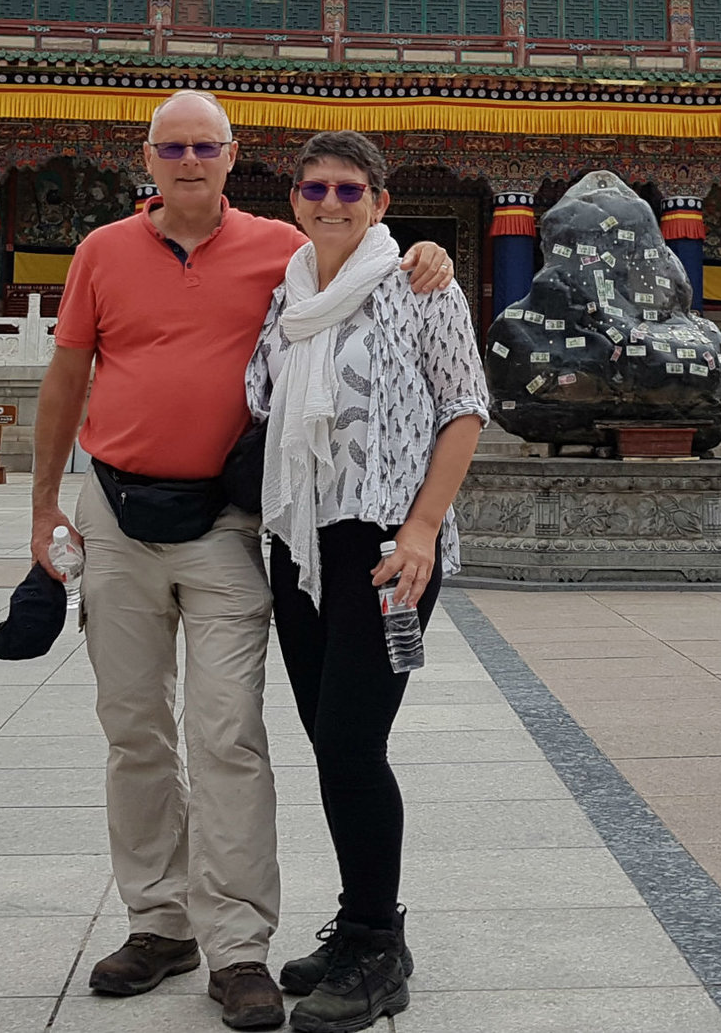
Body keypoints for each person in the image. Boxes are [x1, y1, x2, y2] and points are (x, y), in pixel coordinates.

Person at [32, 90, 454, 1032]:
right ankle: (158, 922)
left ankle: (240, 946)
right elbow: (66, 375)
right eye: (171, 146)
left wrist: (433, 252)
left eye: (206, 146)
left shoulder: (286, 250)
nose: (188, 160)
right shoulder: (107, 251)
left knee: (232, 734)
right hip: (134, 515)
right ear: (147, 157)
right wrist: (43, 505)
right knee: (134, 729)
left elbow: (419, 329)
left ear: (233, 158)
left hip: (238, 528)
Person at [247, 130, 486, 1032]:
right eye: (316, 187)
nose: (332, 202)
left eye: (352, 189)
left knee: (353, 741)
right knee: (327, 738)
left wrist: (423, 526)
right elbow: (260, 400)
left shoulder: (423, 284)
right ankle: (357, 924)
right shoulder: (290, 295)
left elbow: (466, 409)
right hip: (304, 545)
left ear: (381, 202)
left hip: (388, 548)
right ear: (296, 199)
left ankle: (381, 948)